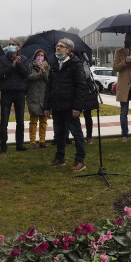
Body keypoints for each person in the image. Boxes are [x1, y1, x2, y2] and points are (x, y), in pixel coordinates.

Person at [44, 38, 88, 171]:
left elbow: (81, 86)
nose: (58, 48)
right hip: (57, 105)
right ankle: (60, 157)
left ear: (69, 50)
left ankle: (80, 160)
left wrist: (77, 107)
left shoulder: (76, 64)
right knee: (59, 134)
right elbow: (49, 86)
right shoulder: (54, 65)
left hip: (70, 106)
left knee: (76, 133)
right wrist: (46, 106)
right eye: (57, 46)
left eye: (61, 46)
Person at [0, 39, 29, 153]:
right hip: (6, 92)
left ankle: (19, 144)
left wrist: (18, 65)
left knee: (20, 121)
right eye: (9, 45)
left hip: (20, 92)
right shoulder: (1, 59)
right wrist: (12, 65)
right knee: (4, 120)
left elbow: (26, 74)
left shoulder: (24, 59)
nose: (11, 46)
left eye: (13, 45)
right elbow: (0, 74)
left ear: (18, 47)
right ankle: (3, 146)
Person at [26, 49, 49, 149]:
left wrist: (43, 71)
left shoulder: (48, 67)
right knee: (33, 120)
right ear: (35, 56)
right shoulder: (30, 66)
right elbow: (28, 77)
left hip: (44, 96)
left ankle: (42, 141)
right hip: (33, 95)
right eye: (38, 55)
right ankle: (32, 141)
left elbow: (49, 79)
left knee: (44, 120)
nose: (40, 57)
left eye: (42, 55)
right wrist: (38, 74)